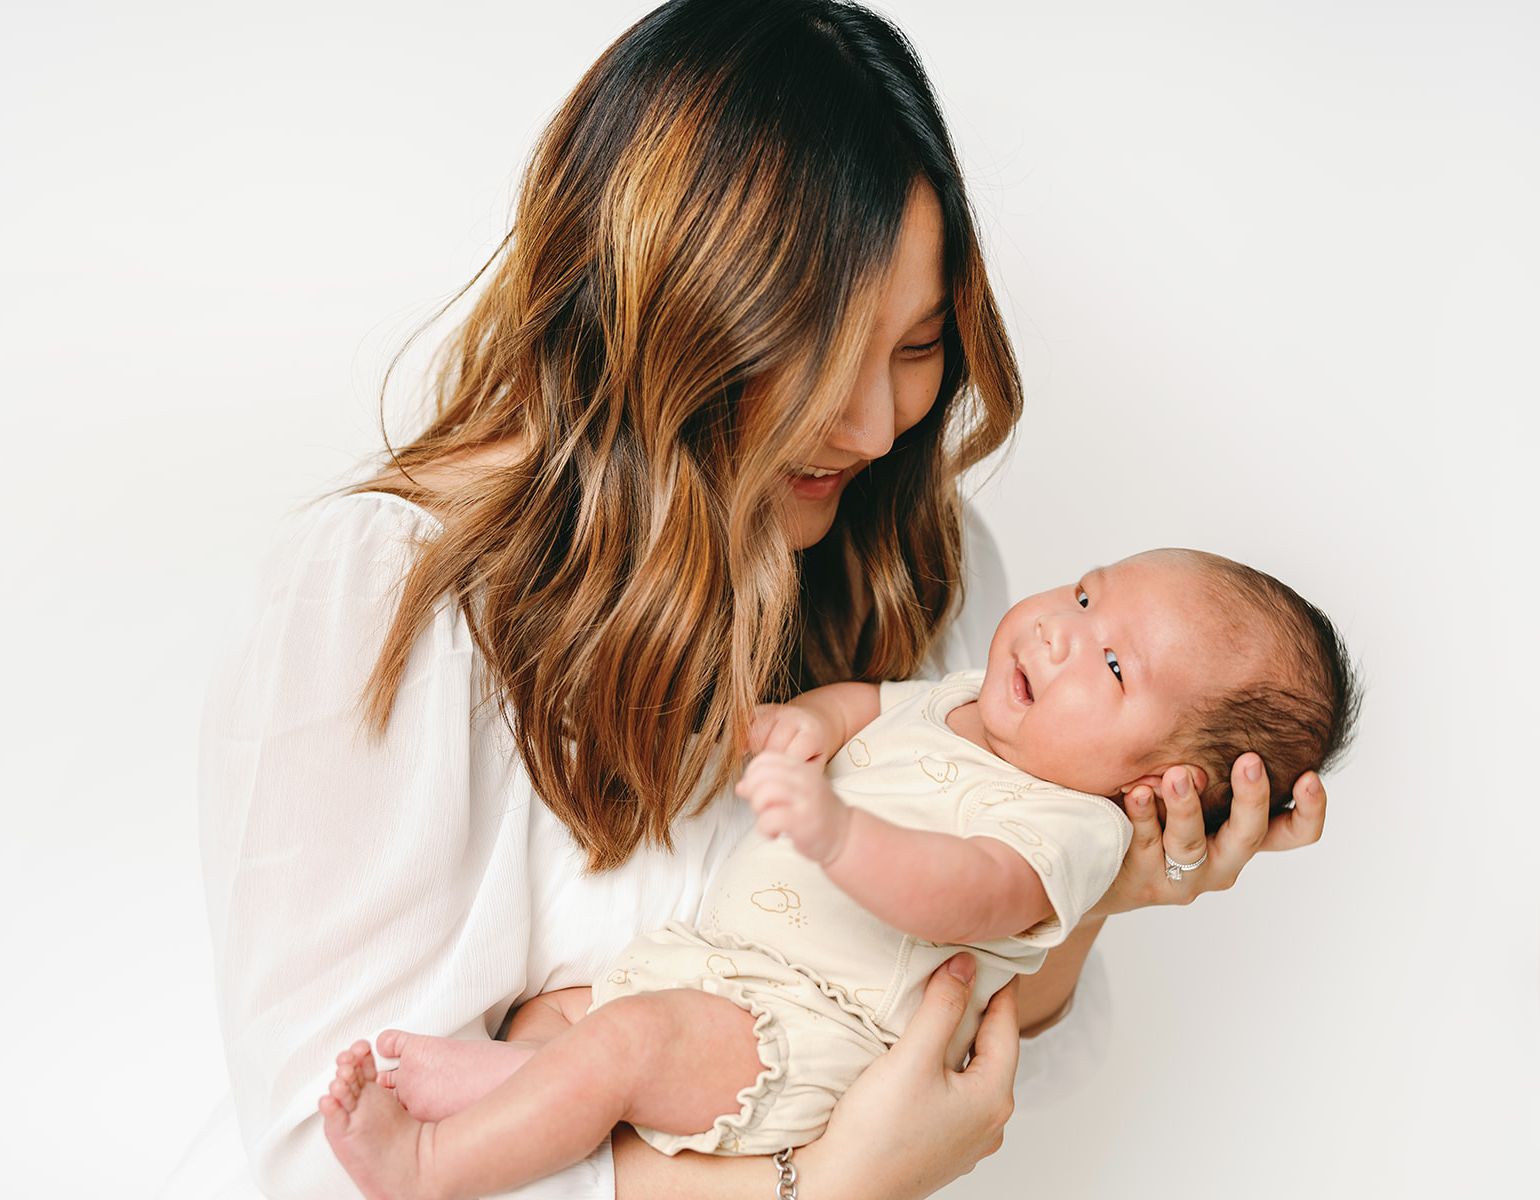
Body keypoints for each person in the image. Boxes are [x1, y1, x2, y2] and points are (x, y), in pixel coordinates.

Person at [196, 4, 1329, 1199]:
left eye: (918, 345)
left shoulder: (930, 566)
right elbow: (323, 1163)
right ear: (663, 317)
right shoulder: (382, 599)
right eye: (818, 352)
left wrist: (1107, 876)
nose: (881, 425)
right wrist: (818, 1187)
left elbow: (981, 1040)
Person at [316, 548, 1359, 1199]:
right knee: (564, 1016)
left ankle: (429, 1171)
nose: (1059, 628)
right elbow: (863, 703)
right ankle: (506, 1089)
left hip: (810, 1040)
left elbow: (967, 889)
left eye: (1115, 665)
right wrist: (792, 727)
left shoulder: (1071, 833)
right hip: (727, 975)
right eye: (1086, 593)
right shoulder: (964, 700)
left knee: (628, 1042)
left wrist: (837, 833)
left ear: (1159, 780)